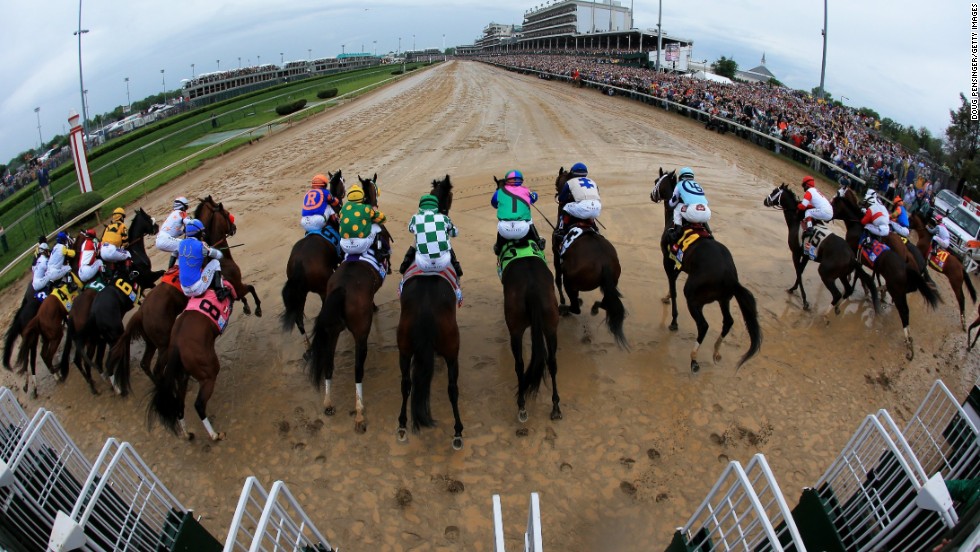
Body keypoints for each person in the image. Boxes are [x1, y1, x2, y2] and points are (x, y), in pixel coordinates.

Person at [399, 193, 463, 277]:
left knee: (415, 240)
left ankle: (404, 266)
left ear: (421, 206)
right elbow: (455, 233)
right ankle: (457, 269)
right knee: (447, 243)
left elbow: (410, 229)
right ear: (436, 206)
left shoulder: (415, 218)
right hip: (443, 263)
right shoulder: (444, 218)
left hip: (422, 264)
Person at [491, 170, 545, 255]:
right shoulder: (526, 191)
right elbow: (535, 197)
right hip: (522, 230)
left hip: (505, 231)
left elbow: (494, 204)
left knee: (501, 221)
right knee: (529, 219)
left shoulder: (498, 192)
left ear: (507, 181)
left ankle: (498, 246)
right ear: (521, 180)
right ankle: (538, 241)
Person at [177, 219, 229, 300]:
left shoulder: (180, 244)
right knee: (215, 262)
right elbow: (219, 255)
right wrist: (210, 249)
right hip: (196, 288)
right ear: (198, 233)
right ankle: (220, 291)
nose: (203, 234)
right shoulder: (201, 246)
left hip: (184, 290)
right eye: (201, 232)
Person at [338, 183, 388, 263]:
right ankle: (381, 252)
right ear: (362, 197)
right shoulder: (366, 208)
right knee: (377, 228)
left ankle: (340, 254)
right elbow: (383, 219)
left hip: (344, 246)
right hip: (361, 245)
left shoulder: (343, 209)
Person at [556, 162, 602, 239]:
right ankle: (595, 228)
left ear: (572, 173)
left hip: (582, 207)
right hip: (597, 207)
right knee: (590, 212)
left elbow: (562, 198)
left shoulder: (569, 182)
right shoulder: (592, 181)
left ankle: (561, 229)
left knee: (565, 207)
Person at [666, 166, 711, 243]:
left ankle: (677, 231)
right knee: (701, 212)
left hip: (693, 212)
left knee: (677, 207)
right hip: (707, 213)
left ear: (681, 176)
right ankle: (708, 231)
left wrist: (669, 204)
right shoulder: (698, 185)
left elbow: (673, 202)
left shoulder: (679, 184)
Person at [156, 196, 190, 268]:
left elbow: (174, 232)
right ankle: (178, 269)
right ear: (183, 207)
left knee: (176, 249)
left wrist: (183, 231)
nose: (186, 210)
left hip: (160, 239)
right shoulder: (182, 213)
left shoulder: (173, 214)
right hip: (166, 239)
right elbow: (189, 224)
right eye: (186, 207)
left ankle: (170, 269)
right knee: (185, 245)